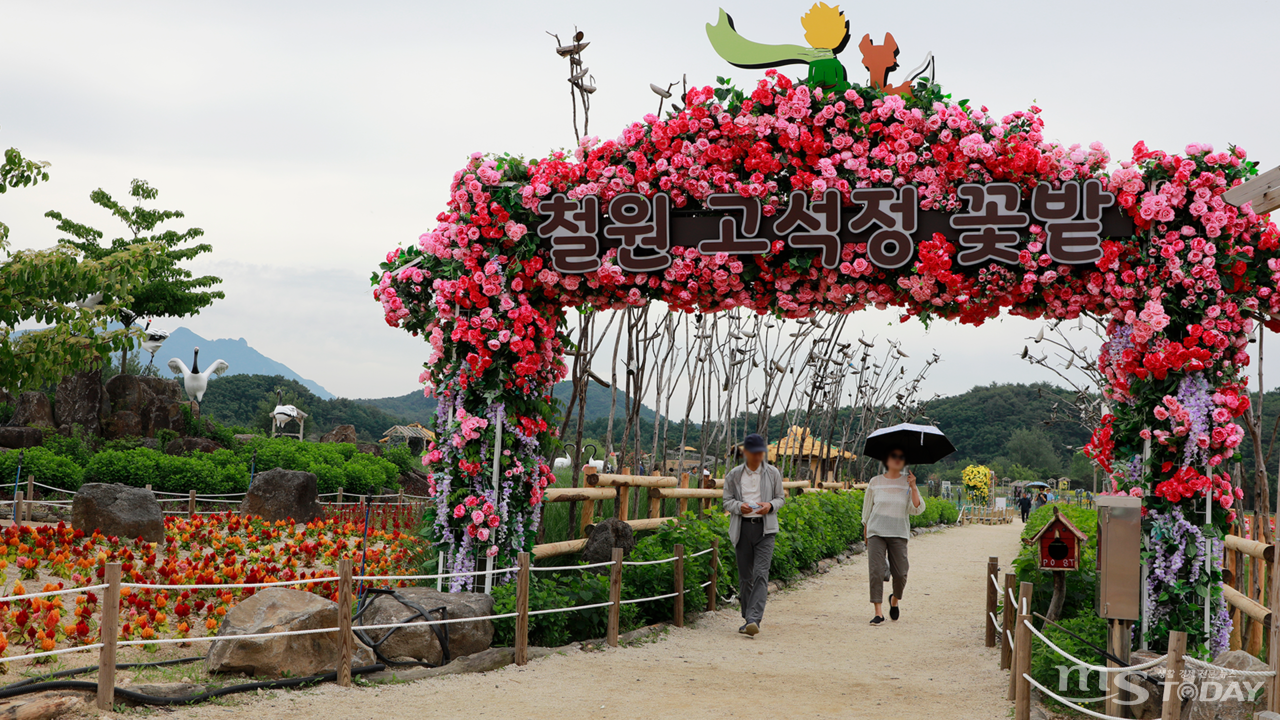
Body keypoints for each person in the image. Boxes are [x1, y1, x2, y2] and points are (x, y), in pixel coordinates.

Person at [721, 432, 785, 637]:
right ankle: (748, 617)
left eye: (761, 452)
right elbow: (726, 501)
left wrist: (770, 505)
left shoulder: (773, 473)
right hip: (742, 528)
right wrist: (740, 507)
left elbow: (780, 499)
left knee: (760, 573)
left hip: (766, 529)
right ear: (746, 452)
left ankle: (754, 619)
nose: (758, 456)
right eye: (754, 452)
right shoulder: (734, 475)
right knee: (745, 577)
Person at [862, 448, 925, 625]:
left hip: (898, 532)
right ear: (886, 459)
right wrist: (866, 529)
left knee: (901, 573)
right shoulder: (875, 482)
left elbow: (917, 508)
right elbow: (867, 509)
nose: (897, 459)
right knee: (875, 571)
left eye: (901, 457)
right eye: (893, 456)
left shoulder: (907, 482)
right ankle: (878, 612)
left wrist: (913, 487)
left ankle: (894, 600)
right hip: (876, 531)